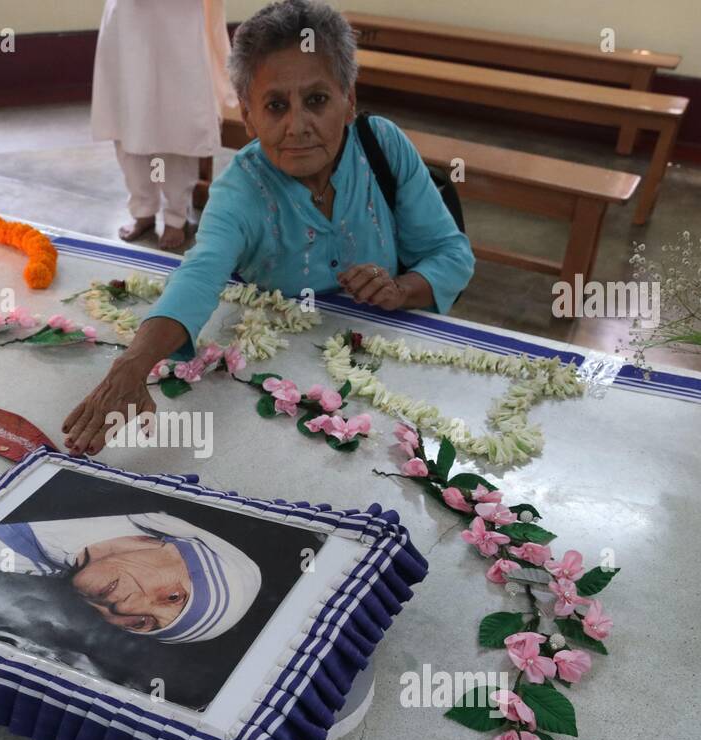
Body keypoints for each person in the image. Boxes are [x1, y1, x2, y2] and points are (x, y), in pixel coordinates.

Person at [64, 0, 474, 455]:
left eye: (316, 100)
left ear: (349, 99)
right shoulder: (242, 189)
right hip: (282, 389)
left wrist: (401, 289)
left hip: (387, 371)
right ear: (248, 116)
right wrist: (132, 365)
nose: (297, 127)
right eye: (275, 106)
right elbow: (200, 273)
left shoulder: (382, 146)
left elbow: (450, 254)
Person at [0, 513, 262, 643]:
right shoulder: (113, 495)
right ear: (175, 548)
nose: (127, 610)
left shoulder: (1, 569)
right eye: (173, 597)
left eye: (142, 624)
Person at [91, 0, 237, 250]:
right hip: (128, 18)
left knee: (176, 120)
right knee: (128, 118)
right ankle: (142, 209)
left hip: (176, 19)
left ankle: (176, 216)